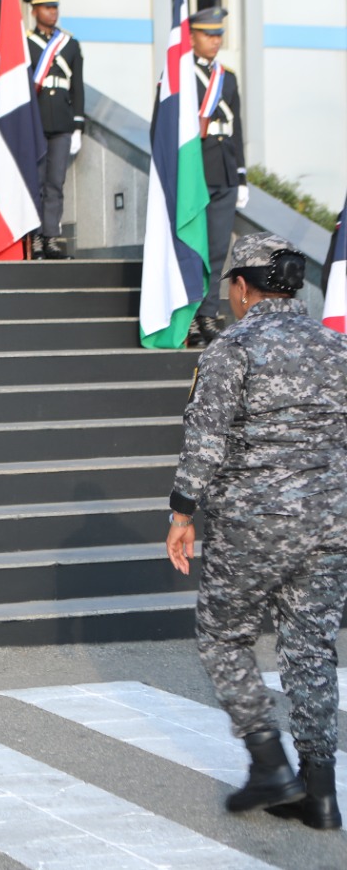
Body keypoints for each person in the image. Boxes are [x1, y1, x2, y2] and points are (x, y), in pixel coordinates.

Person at [166, 233, 347, 831]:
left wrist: (182, 513)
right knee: (312, 651)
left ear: (242, 286)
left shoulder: (232, 348)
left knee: (223, 636)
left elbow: (206, 441)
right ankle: (321, 795)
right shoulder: (335, 347)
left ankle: (269, 762)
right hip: (330, 524)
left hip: (254, 525)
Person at [186, 7, 247, 348]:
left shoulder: (229, 77)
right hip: (195, 172)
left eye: (218, 34)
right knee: (193, 248)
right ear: (192, 36)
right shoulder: (180, 76)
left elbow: (236, 129)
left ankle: (208, 314)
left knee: (217, 249)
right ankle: (190, 315)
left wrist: (241, 176)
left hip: (223, 171)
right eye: (208, 34)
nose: (215, 40)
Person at [23, 0, 84, 260]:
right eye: (47, 8)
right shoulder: (25, 43)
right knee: (34, 182)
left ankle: (51, 237)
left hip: (61, 122)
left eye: (55, 7)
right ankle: (35, 237)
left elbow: (77, 88)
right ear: (35, 11)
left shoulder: (70, 44)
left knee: (55, 183)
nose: (52, 12)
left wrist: (78, 125)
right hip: (34, 122)